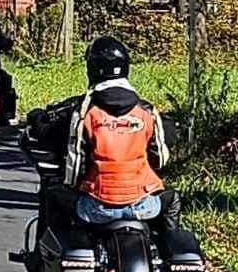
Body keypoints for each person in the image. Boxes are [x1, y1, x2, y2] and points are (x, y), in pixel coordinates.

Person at [22, 34, 181, 245]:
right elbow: (160, 159)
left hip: (97, 208)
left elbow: (75, 167)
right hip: (143, 206)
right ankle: (165, 248)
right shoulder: (147, 111)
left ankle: (56, 254)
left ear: (91, 69)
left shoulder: (85, 112)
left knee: (54, 196)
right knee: (173, 200)